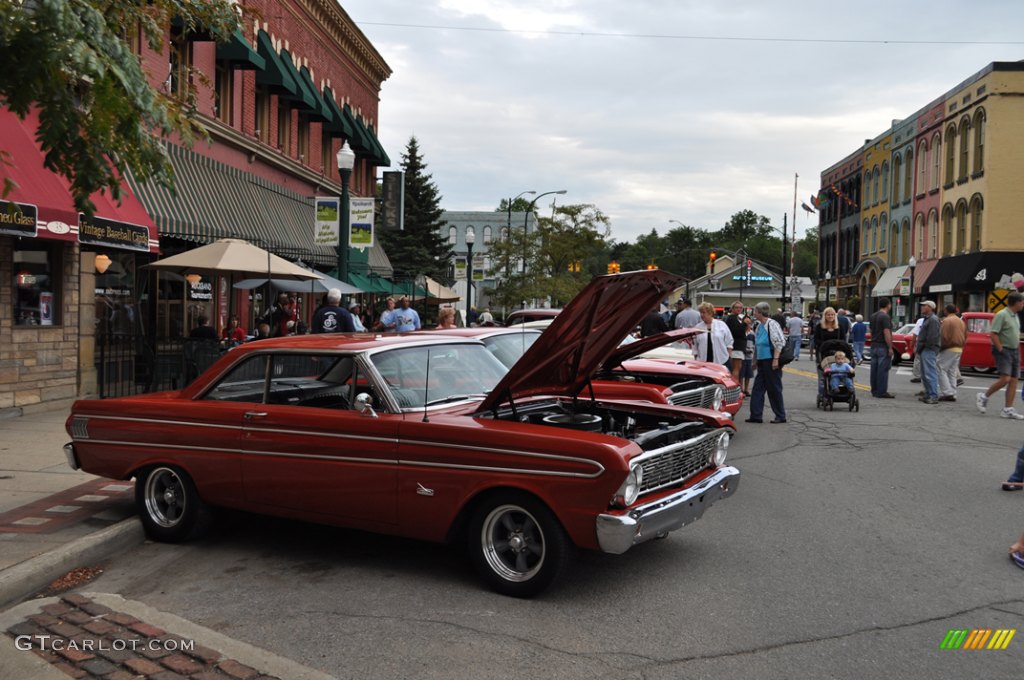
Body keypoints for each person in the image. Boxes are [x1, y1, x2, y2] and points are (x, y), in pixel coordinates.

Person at [977, 291, 1024, 419]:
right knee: (1005, 379)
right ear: (1017, 302)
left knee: (1014, 380)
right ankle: (983, 396)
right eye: (1022, 302)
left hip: (1014, 350)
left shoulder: (1014, 315)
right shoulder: (1002, 314)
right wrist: (1001, 349)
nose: (1023, 304)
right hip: (1004, 350)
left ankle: (1007, 409)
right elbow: (994, 333)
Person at [746, 301, 787, 424]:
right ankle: (756, 415)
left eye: (755, 312)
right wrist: (755, 361)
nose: (754, 314)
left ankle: (780, 415)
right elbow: (757, 345)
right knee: (758, 388)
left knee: (774, 388)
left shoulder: (772, 324)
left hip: (771, 359)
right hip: (762, 361)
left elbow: (779, 342)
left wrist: (776, 359)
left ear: (759, 312)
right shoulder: (759, 326)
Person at [937, 304, 966, 402]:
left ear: (946, 311)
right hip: (959, 348)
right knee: (952, 371)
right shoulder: (960, 321)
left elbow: (943, 336)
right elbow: (965, 335)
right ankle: (953, 392)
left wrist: (940, 348)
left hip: (949, 347)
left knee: (940, 368)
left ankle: (947, 392)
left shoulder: (946, 320)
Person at [916, 301, 941, 404]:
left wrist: (925, 346)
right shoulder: (928, 319)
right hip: (925, 349)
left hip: (928, 349)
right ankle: (928, 394)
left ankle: (933, 395)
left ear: (930, 307)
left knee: (930, 373)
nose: (921, 307)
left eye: (924, 305)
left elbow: (932, 337)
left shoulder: (933, 320)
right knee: (925, 373)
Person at [870, 297, 895, 398]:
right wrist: (890, 347)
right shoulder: (885, 317)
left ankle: (874, 390)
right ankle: (881, 391)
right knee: (883, 370)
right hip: (882, 345)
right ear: (888, 305)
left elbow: (871, 331)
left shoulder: (873, 316)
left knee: (874, 369)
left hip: (874, 345)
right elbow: (886, 332)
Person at [725, 301, 747, 381]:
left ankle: (737, 386)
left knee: (738, 368)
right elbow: (736, 332)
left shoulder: (737, 318)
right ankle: (735, 387)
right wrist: (744, 324)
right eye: (736, 307)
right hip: (736, 346)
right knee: (736, 368)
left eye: (740, 308)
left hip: (738, 346)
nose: (739, 309)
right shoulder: (732, 318)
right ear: (732, 308)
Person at [741, 316, 755, 396]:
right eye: (745, 323)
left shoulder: (752, 334)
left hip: (749, 356)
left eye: (749, 323)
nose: (747, 325)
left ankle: (746, 389)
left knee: (748, 374)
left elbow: (754, 345)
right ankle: (741, 389)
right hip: (742, 356)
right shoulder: (741, 332)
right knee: (741, 374)